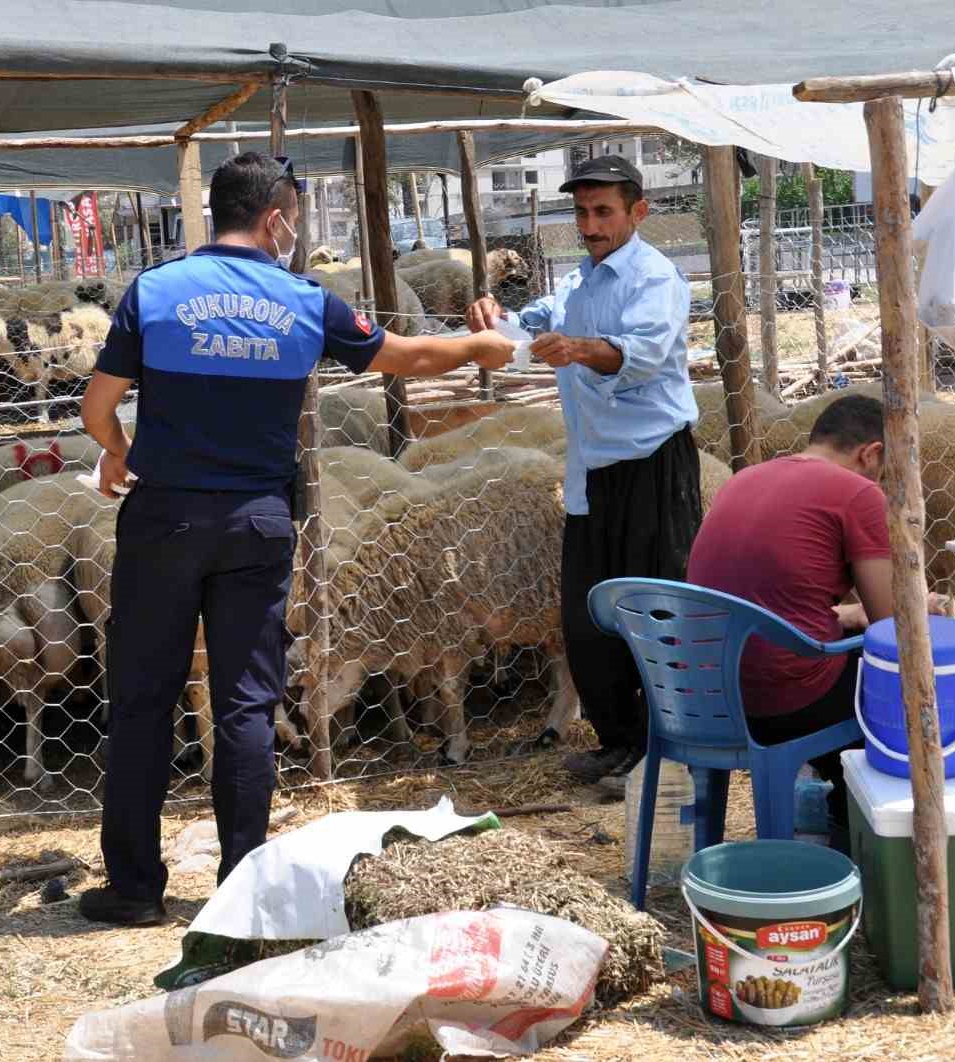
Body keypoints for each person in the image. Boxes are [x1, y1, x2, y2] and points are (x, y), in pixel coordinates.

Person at [76, 152, 515, 925]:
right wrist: (478, 349)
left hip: (165, 519)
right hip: (257, 522)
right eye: (296, 220)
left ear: (218, 212)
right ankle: (243, 895)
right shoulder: (306, 300)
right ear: (276, 218)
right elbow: (404, 356)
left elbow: (97, 404)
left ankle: (136, 890)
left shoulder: (155, 291)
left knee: (143, 700)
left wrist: (117, 449)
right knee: (246, 706)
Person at [465, 154, 701, 789]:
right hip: (594, 469)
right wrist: (497, 324)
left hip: (652, 464)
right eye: (581, 213)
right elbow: (531, 329)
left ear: (638, 212)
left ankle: (668, 747)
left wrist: (581, 351)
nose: (590, 225)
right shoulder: (580, 282)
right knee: (588, 616)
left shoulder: (655, 278)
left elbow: (646, 354)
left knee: (657, 610)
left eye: (603, 212)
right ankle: (618, 741)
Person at [686, 395, 946, 850]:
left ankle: (831, 804)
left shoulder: (745, 478)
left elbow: (769, 598)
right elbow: (892, 625)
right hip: (781, 704)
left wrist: (847, 615)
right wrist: (922, 606)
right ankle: (864, 828)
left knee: (844, 647)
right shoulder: (859, 493)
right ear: (871, 453)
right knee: (903, 677)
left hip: (701, 698)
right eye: (887, 466)